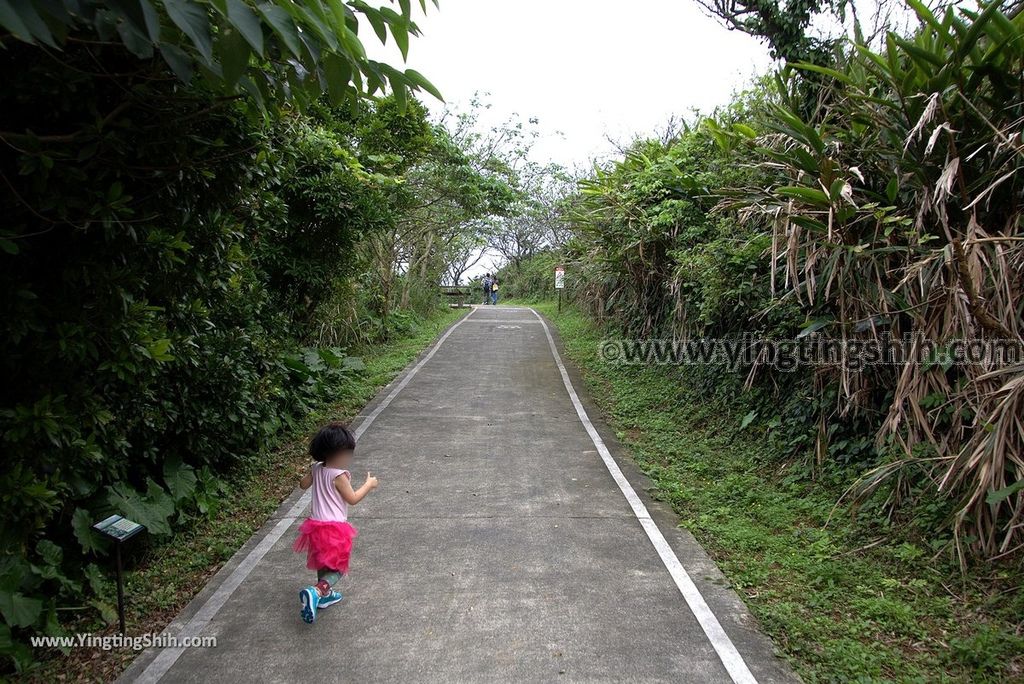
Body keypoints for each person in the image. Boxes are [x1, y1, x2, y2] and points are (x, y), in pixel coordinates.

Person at [293, 422, 378, 624]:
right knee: (338, 566)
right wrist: (369, 484)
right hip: (334, 528)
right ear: (336, 453)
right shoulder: (339, 475)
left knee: (323, 561)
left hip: (314, 525)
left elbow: (302, 484)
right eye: (347, 453)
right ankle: (317, 591)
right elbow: (353, 498)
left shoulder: (317, 468)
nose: (348, 458)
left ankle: (324, 595)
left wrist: (313, 473)